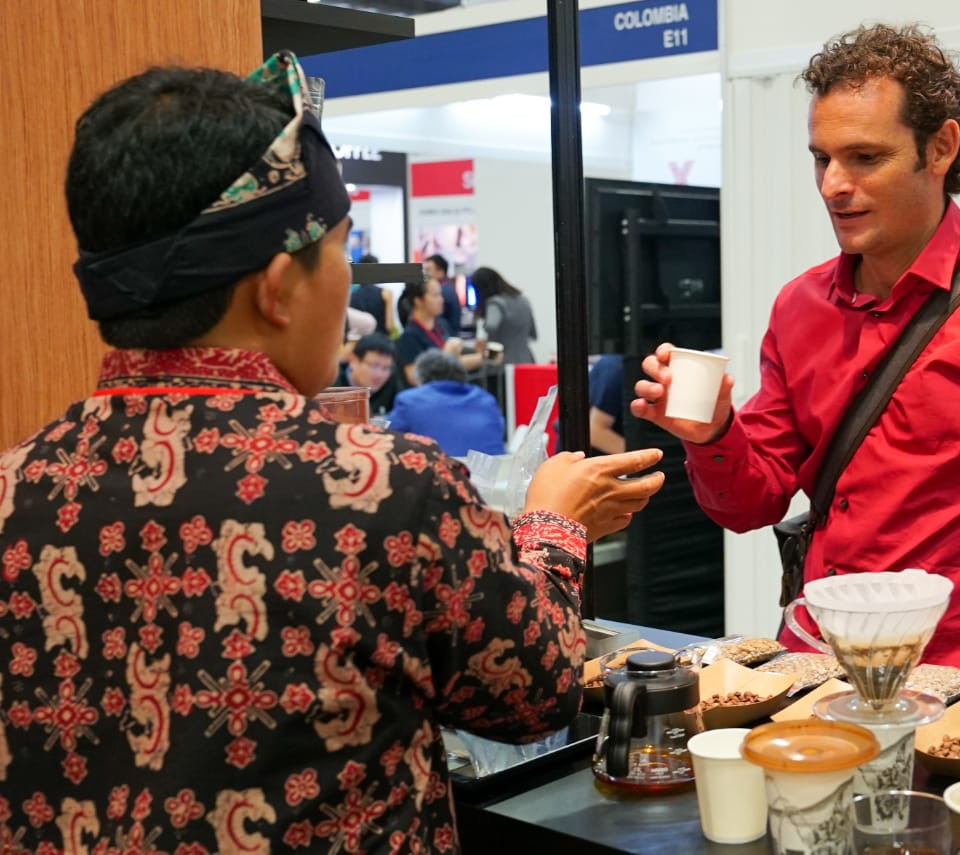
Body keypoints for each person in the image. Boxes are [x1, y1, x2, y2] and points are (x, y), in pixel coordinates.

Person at [0, 53, 665, 853]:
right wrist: (553, 526)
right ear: (278, 285)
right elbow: (533, 692)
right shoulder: (383, 487)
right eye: (342, 248)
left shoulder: (13, 489)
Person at [632, 23, 960, 691]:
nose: (833, 184)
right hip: (814, 672)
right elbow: (753, 501)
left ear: (940, 148)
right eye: (821, 158)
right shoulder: (800, 306)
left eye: (864, 157)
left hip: (959, 686)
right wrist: (714, 434)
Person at [389, 350, 507, 457]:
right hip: (494, 476)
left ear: (421, 378)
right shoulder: (486, 399)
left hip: (442, 476)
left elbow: (384, 434)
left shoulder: (410, 400)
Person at [395, 277, 491, 385]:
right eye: (435, 295)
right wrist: (445, 354)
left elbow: (455, 362)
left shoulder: (441, 326)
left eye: (440, 295)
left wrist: (484, 357)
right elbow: (414, 377)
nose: (441, 300)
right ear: (418, 301)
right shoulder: (409, 336)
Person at [472, 266, 538, 364]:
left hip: (502, 364)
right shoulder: (523, 300)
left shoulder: (495, 303)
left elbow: (491, 326)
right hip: (527, 361)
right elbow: (533, 334)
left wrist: (487, 341)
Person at [337, 331, 401, 416]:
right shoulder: (331, 384)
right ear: (353, 360)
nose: (379, 375)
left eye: (386, 368)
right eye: (374, 366)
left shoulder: (392, 385)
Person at [349, 253, 399, 336]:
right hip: (381, 343)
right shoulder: (386, 294)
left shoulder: (352, 296)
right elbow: (389, 326)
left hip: (360, 344)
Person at [425, 252, 462, 334]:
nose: (426, 274)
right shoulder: (447, 287)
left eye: (428, 270)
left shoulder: (442, 291)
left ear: (441, 272)